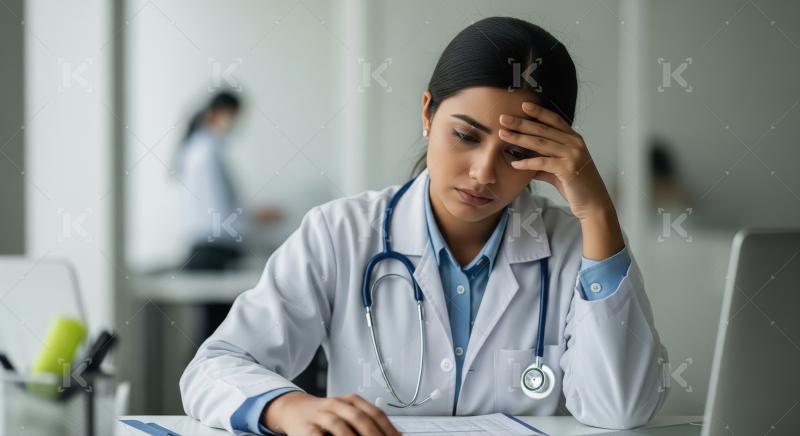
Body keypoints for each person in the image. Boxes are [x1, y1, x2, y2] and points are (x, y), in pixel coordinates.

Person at [180, 17, 669, 435]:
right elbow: (213, 368)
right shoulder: (340, 233)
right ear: (427, 113)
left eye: (517, 153)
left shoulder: (574, 247)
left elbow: (621, 409)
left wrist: (598, 212)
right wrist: (289, 408)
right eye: (464, 135)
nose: (482, 173)